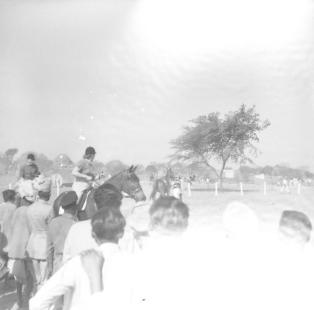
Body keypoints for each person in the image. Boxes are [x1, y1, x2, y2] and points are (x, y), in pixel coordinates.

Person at [29, 207, 126, 310]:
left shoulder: (79, 261)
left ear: (93, 235)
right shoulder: (134, 262)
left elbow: (38, 302)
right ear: (122, 233)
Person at [62, 185, 122, 262]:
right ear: (118, 207)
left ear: (95, 205)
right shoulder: (126, 232)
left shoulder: (75, 228)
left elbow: (66, 260)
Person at [26, 177, 52, 293]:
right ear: (49, 194)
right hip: (44, 244)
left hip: (32, 243)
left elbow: (29, 226)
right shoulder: (50, 209)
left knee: (36, 279)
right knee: (44, 279)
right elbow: (51, 228)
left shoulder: (30, 208)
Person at [47, 191, 78, 276]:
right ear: (75, 207)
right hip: (70, 263)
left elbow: (49, 248)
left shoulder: (53, 222)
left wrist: (50, 267)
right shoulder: (75, 224)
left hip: (57, 263)